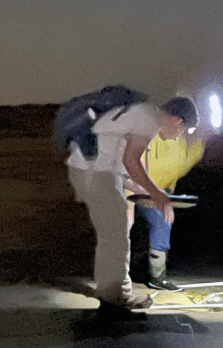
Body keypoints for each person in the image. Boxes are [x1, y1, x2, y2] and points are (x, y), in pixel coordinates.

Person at [65, 89, 199, 311]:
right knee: (116, 234)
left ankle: (113, 293)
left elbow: (121, 165)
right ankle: (115, 298)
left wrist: (144, 193)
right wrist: (158, 194)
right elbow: (131, 161)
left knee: (114, 234)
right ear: (176, 120)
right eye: (183, 130)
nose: (180, 136)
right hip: (94, 171)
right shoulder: (148, 118)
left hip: (94, 170)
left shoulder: (144, 115)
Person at [126, 129, 207, 291]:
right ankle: (117, 279)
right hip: (128, 186)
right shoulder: (149, 135)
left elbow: (170, 177)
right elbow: (127, 166)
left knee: (163, 220)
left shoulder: (192, 149)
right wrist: (142, 191)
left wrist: (166, 200)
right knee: (124, 226)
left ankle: (158, 276)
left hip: (156, 193)